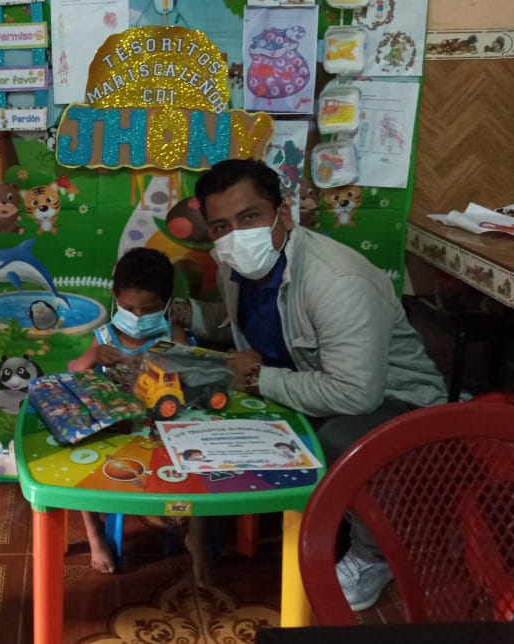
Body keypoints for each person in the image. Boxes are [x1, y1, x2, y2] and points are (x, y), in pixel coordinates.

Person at [174, 158, 447, 612]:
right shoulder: (234, 267)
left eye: (249, 217)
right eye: (221, 226)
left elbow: (356, 394)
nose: (236, 236)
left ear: (283, 214)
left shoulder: (337, 281)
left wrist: (257, 379)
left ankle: (374, 554)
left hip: (391, 402)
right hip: (297, 384)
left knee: (339, 440)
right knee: (198, 397)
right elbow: (238, 322)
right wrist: (181, 313)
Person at [68, 247, 206, 577]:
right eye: (129, 308)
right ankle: (94, 533)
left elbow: (190, 375)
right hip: (117, 427)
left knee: (199, 456)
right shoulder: (106, 336)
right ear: (115, 298)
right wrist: (96, 355)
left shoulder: (170, 334)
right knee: (80, 452)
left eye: (150, 308)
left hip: (162, 425)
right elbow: (75, 372)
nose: (138, 316)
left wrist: (172, 359)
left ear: (167, 303)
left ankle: (197, 538)